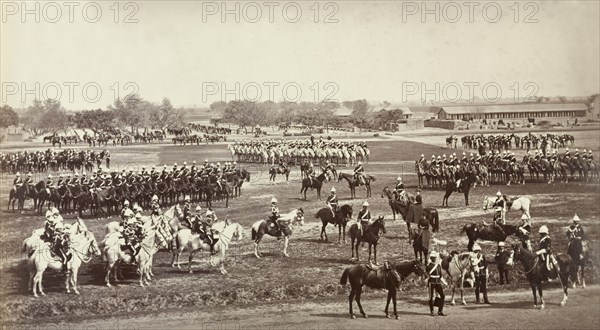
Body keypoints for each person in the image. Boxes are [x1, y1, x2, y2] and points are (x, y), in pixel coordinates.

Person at [426, 251, 446, 316]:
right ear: (431, 258)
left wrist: (444, 283)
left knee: (442, 295)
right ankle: (432, 311)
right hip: (431, 282)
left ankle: (440, 311)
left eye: (435, 257)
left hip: (438, 282)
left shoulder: (438, 265)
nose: (434, 258)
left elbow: (440, 276)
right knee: (431, 297)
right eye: (433, 257)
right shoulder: (429, 266)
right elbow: (426, 275)